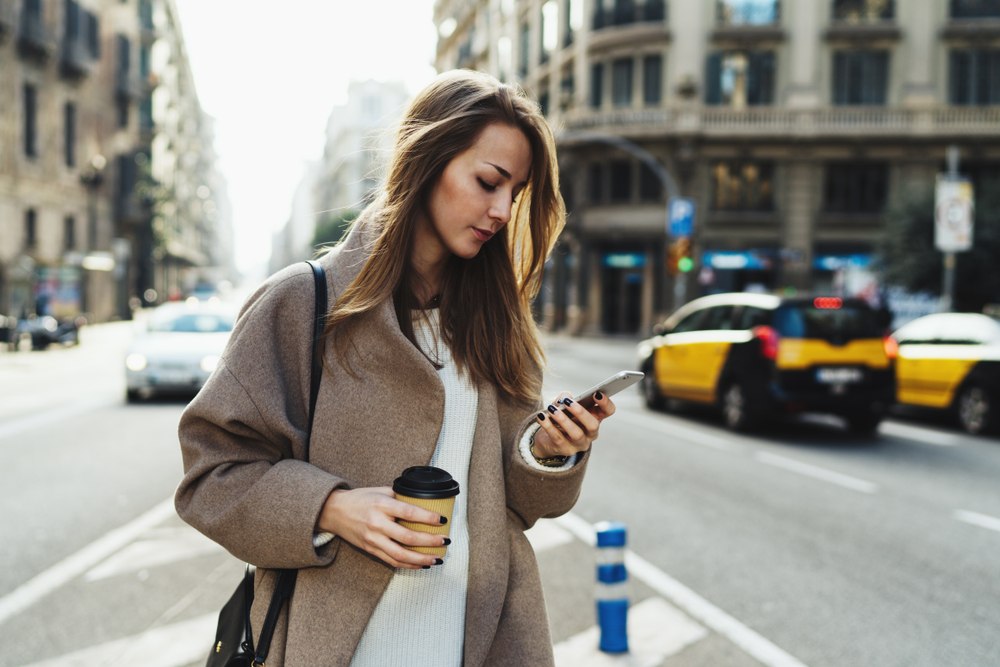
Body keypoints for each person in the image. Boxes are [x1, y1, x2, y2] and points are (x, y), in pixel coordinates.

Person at [175, 69, 618, 667]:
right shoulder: (303, 304)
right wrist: (330, 508)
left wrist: (546, 451)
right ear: (426, 162)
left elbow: (518, 504)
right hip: (339, 646)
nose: (500, 210)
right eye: (488, 181)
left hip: (479, 642)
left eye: (515, 193)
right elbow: (212, 475)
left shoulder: (496, 321)